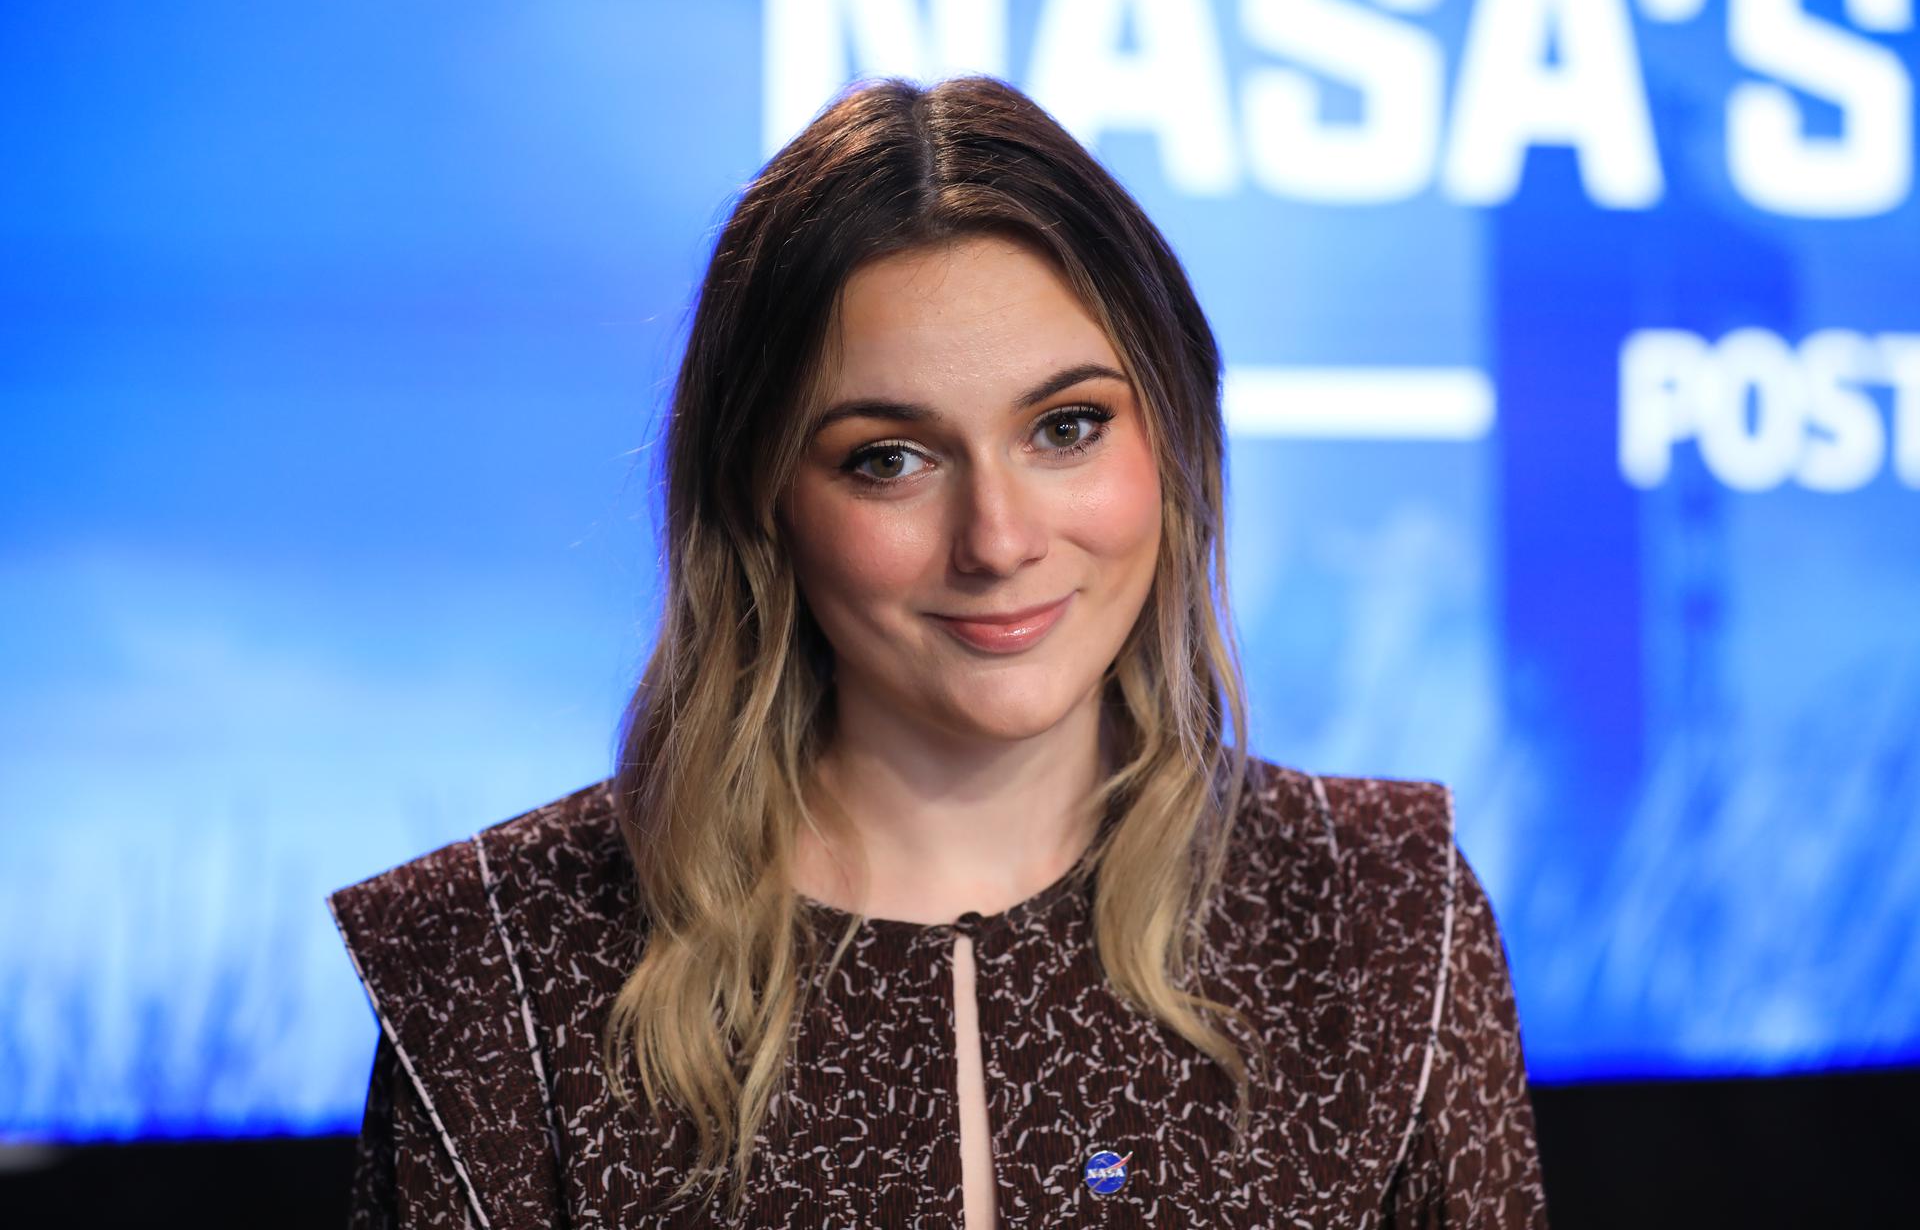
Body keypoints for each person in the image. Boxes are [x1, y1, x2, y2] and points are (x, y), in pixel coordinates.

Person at [329, 73, 1549, 1229]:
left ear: (1174, 441)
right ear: (760, 495)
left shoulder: (1388, 913)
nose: (999, 539)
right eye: (890, 458)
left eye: (1066, 427)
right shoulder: (489, 971)